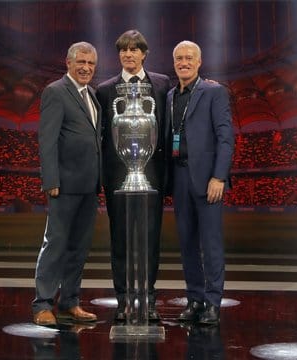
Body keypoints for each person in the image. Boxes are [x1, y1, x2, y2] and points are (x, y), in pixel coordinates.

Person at [96, 30, 171, 322]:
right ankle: (124, 299)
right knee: (120, 240)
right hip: (117, 179)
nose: (129, 54)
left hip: (153, 176)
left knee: (151, 239)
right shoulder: (104, 90)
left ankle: (149, 299)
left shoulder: (162, 85)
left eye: (134, 49)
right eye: (123, 50)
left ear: (144, 53)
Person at [32, 41, 102, 327]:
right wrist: (50, 180)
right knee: (56, 244)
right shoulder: (55, 91)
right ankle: (42, 304)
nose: (86, 68)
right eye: (81, 62)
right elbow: (47, 140)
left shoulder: (93, 95)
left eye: (91, 64)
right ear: (69, 63)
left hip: (89, 185)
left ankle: (70, 301)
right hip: (64, 184)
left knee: (79, 247)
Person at [166, 40, 234, 325]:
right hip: (179, 177)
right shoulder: (170, 95)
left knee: (211, 243)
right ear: (174, 63)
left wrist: (219, 176)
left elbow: (225, 137)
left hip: (208, 180)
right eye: (179, 58)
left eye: (189, 58)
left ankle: (213, 303)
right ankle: (194, 300)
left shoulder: (214, 92)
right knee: (187, 244)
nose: (183, 62)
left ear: (199, 62)